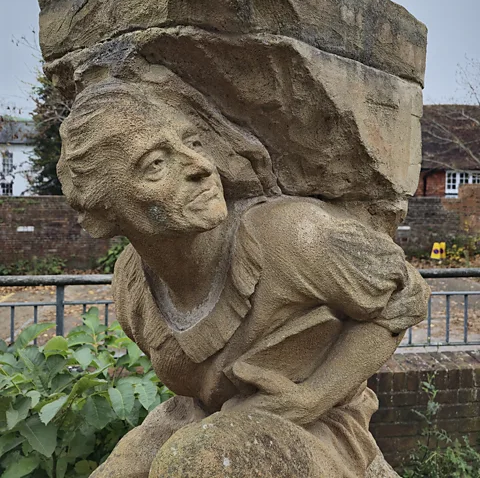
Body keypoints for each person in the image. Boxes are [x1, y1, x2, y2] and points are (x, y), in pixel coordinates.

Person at [58, 79, 429, 477]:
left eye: (194, 143)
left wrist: (313, 397)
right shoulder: (132, 285)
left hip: (315, 428)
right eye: (156, 165)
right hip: (200, 420)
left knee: (198, 463)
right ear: (103, 212)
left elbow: (405, 296)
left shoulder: (293, 237)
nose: (201, 167)